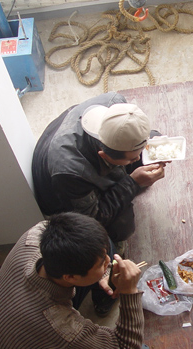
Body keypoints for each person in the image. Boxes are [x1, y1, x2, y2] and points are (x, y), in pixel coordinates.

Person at [0, 212, 178, 349]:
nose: (109, 262)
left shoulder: (37, 235)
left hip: (8, 318)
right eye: (102, 265)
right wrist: (129, 292)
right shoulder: (56, 324)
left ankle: (101, 293)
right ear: (70, 277)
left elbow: (98, 252)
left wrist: (103, 272)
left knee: (104, 245)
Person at [32, 92, 167, 246]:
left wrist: (155, 145)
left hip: (78, 160)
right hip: (63, 195)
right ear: (103, 155)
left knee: (153, 149)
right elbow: (94, 217)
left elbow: (139, 142)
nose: (136, 159)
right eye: (131, 159)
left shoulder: (114, 104)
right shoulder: (71, 172)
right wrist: (132, 183)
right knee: (122, 227)